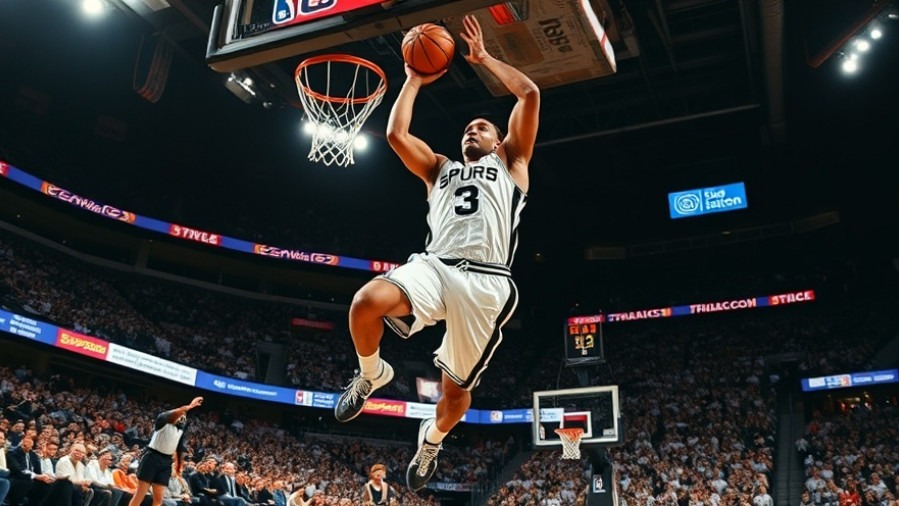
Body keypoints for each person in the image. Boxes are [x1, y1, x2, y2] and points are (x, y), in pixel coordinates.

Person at [332, 13, 540, 492]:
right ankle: (371, 373)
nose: (472, 130)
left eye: (482, 127)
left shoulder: (512, 162)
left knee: (455, 396)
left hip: (486, 283)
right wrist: (412, 79)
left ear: (498, 140)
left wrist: (484, 59)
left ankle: (432, 439)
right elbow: (396, 136)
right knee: (365, 302)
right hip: (435, 265)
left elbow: (529, 94)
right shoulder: (439, 168)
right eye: (468, 127)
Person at [130, 396, 203, 506]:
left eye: (184, 417)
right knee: (140, 494)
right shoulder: (162, 420)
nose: (182, 418)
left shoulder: (180, 429)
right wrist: (189, 407)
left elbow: (179, 447)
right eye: (181, 415)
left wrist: (178, 465)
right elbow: (176, 413)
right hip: (152, 458)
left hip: (166, 462)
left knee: (159, 498)